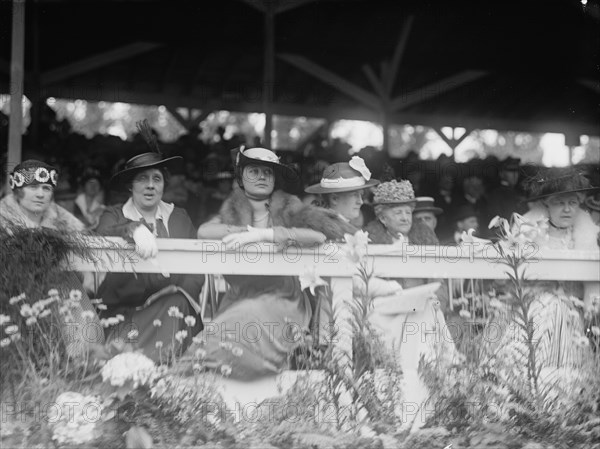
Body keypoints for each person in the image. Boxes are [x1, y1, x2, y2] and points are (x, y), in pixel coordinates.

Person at [183, 147, 355, 379]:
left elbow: (318, 236)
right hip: (240, 294)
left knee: (244, 317)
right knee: (230, 323)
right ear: (241, 177)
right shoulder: (233, 208)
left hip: (284, 297)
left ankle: (185, 374)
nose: (262, 177)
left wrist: (265, 235)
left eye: (268, 172)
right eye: (253, 171)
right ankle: (185, 384)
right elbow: (204, 232)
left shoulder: (288, 205)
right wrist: (246, 230)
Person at [96, 142, 204, 363]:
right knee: (117, 357)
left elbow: (196, 269)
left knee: (178, 304)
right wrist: (132, 228)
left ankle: (157, 377)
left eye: (157, 179)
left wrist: (177, 292)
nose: (150, 186)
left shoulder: (180, 217)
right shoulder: (114, 214)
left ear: (164, 185)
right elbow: (100, 234)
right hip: (124, 314)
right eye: (142, 179)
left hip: (172, 310)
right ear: (130, 186)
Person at [497, 167, 599, 369]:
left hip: (572, 314)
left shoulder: (585, 235)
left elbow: (592, 286)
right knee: (550, 307)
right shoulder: (529, 232)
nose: (567, 209)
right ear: (547, 204)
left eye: (572, 203)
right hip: (532, 309)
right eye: (560, 204)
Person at [0, 159, 104, 356]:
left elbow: (86, 240)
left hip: (58, 282)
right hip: (10, 290)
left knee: (88, 332)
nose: (40, 194)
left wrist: (87, 273)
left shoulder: (60, 217)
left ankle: (76, 367)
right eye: (33, 187)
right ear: (17, 190)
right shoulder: (2, 217)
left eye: (46, 188)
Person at [304, 155, 379, 225]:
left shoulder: (343, 227)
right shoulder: (322, 233)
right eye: (354, 195)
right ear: (334, 199)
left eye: (361, 195)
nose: (360, 201)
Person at [486, 157, 526, 222]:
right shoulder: (496, 195)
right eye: (511, 170)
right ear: (501, 173)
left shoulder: (519, 192)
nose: (515, 174)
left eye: (517, 170)